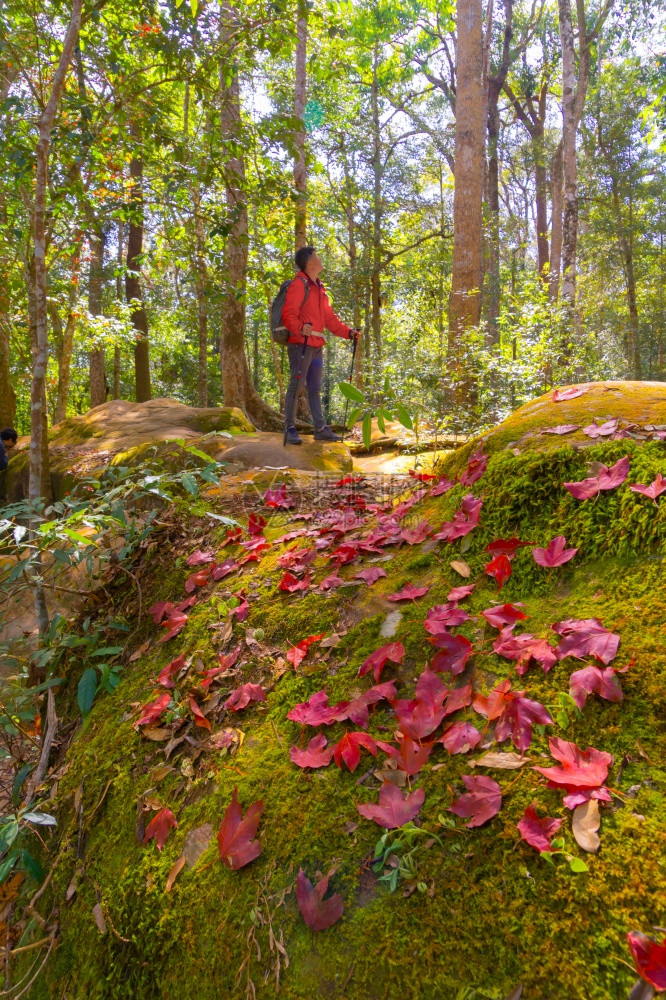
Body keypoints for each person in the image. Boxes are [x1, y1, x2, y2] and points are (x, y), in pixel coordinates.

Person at [281, 246, 360, 445]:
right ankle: (289, 428)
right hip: (301, 343)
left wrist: (348, 333)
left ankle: (321, 428)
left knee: (315, 388)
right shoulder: (299, 285)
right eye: (317, 257)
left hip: (316, 344)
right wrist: (300, 328)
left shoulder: (319, 287)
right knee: (296, 385)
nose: (320, 259)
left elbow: (329, 319)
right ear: (310, 263)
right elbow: (288, 314)